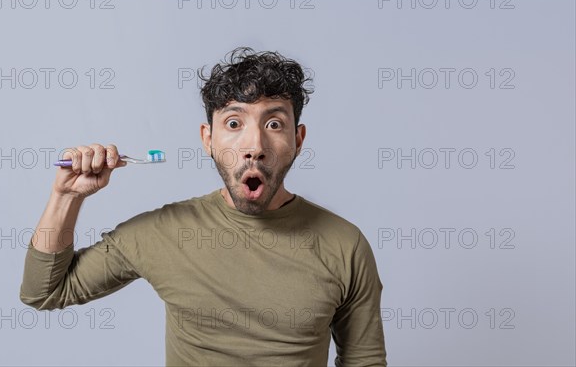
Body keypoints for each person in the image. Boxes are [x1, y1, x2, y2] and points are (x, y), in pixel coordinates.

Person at [20, 47, 387, 366]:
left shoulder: (345, 245)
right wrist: (67, 197)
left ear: (298, 139)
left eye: (274, 123)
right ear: (208, 139)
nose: (253, 145)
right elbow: (44, 291)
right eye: (233, 122)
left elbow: (364, 360)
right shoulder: (164, 232)